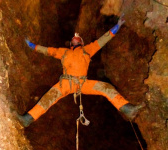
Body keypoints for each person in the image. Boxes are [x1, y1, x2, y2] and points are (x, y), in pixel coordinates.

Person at [15, 15, 144, 127]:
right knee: (47, 99)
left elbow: (104, 39)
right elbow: (47, 50)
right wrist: (31, 45)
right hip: (66, 83)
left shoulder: (88, 50)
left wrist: (118, 25)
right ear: (72, 43)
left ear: (81, 43)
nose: (76, 37)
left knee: (106, 87)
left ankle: (127, 109)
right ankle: (28, 118)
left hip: (83, 83)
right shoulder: (63, 52)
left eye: (78, 38)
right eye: (74, 38)